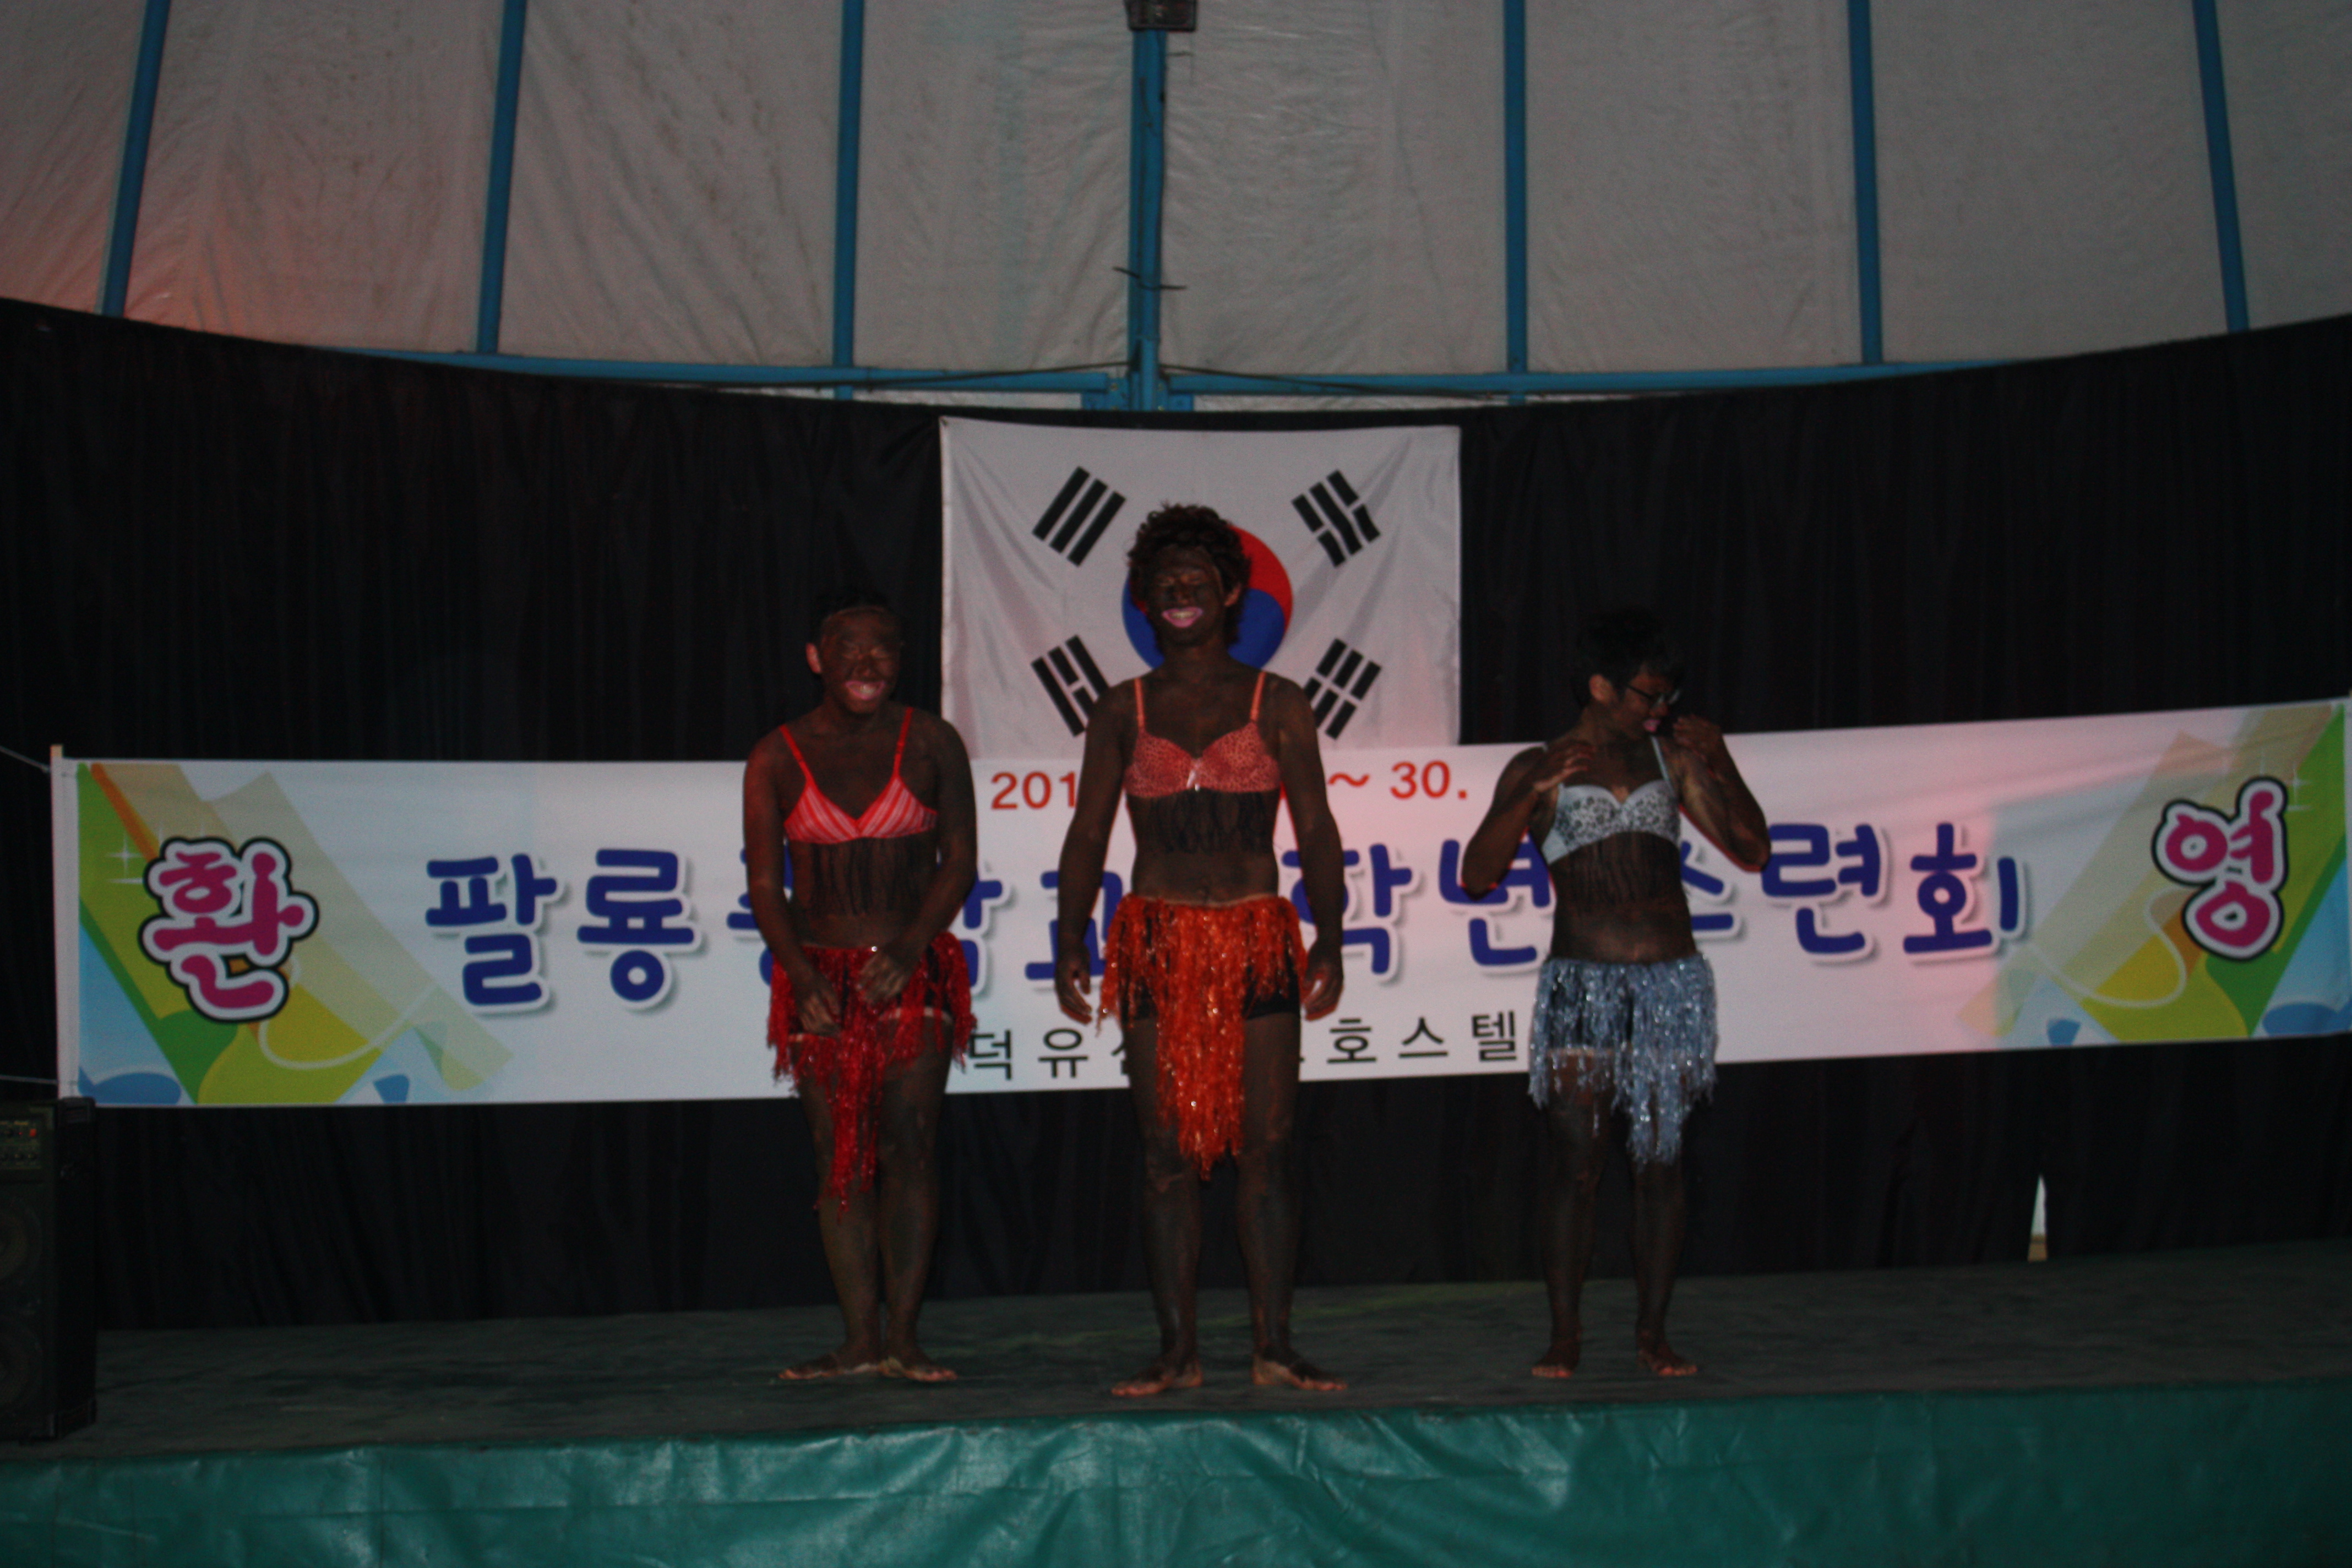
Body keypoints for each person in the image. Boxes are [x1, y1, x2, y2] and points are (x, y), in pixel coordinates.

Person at [1054, 504, 1349, 1396]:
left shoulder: (1278, 701)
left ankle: (1274, 1346)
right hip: (1157, 937)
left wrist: (1331, 932)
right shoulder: (1122, 708)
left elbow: (1317, 827)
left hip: (1256, 934)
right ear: (1145, 601)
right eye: (1164, 580)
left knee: (1269, 1147)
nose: (1181, 590)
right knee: (1164, 1153)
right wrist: (1070, 935)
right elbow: (1088, 832)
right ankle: (1178, 1350)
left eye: (1197, 578)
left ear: (1229, 594)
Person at [1459, 606, 1768, 1378]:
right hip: (1582, 983)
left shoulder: (1672, 760)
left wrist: (1723, 761)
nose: (1659, 708)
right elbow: (1476, 874)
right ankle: (1566, 1334)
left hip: (1668, 983)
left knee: (1660, 1161)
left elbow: (1753, 849)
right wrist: (1527, 793)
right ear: (1600, 687)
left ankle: (1652, 1332)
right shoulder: (1541, 764)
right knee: (1576, 1161)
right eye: (1646, 694)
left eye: (1667, 695)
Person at [743, 595, 977, 1382]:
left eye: (883, 649)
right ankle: (859, 1340)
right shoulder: (776, 755)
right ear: (818, 659)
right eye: (848, 648)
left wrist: (910, 947)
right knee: (838, 1154)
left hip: (913, 966)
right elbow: (766, 886)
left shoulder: (932, 741)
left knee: (911, 1145)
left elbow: (959, 862)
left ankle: (904, 1337)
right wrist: (801, 973)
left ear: (901, 660)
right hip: (822, 977)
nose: (866, 663)